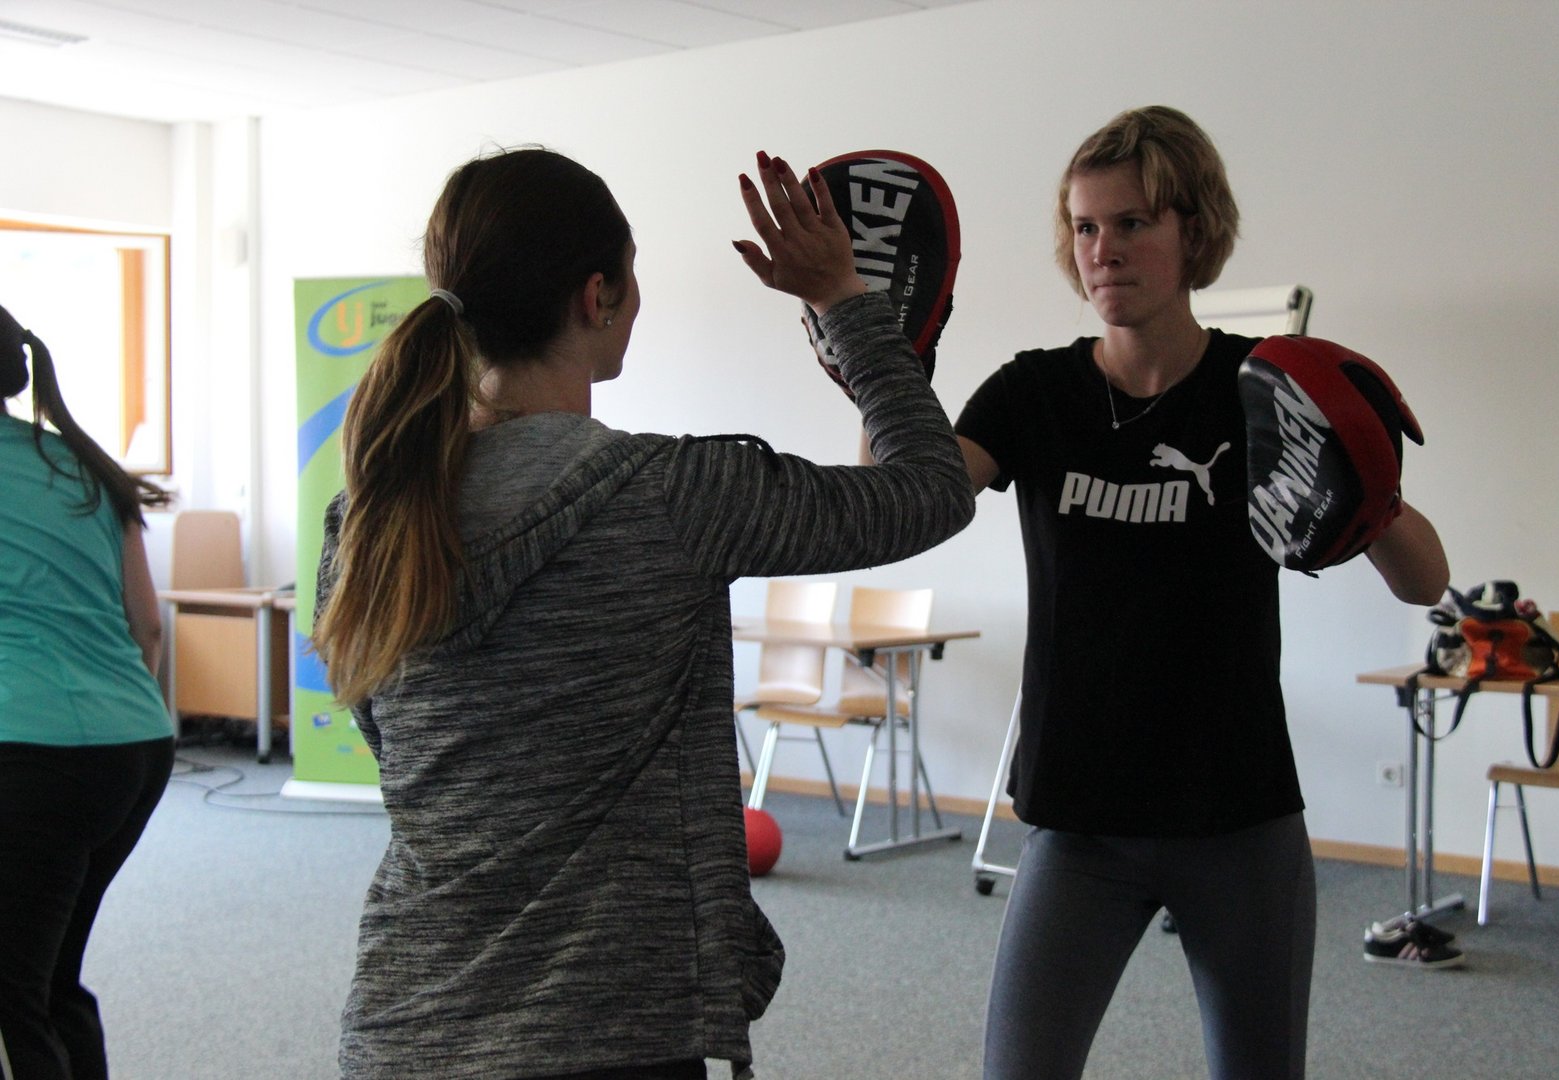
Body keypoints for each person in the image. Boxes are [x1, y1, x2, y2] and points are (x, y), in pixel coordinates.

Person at [310, 146, 974, 1080]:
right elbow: (932, 489)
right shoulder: (672, 493)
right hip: (611, 1028)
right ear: (599, 297)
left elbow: (392, 743)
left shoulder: (365, 517)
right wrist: (841, 300)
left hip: (405, 1028)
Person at [953, 107, 1450, 1079]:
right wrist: (878, 355)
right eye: (1086, 226)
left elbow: (1424, 580)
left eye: (1133, 222)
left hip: (1237, 817)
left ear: (1195, 230)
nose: (1103, 250)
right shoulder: (1032, 395)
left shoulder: (1264, 387)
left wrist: (1367, 477)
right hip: (1080, 819)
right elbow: (897, 506)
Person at [0, 303, 175, 1080]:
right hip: (135, 747)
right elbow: (148, 627)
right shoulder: (83, 465)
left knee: (11, 999)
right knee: (48, 978)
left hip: (31, 754)